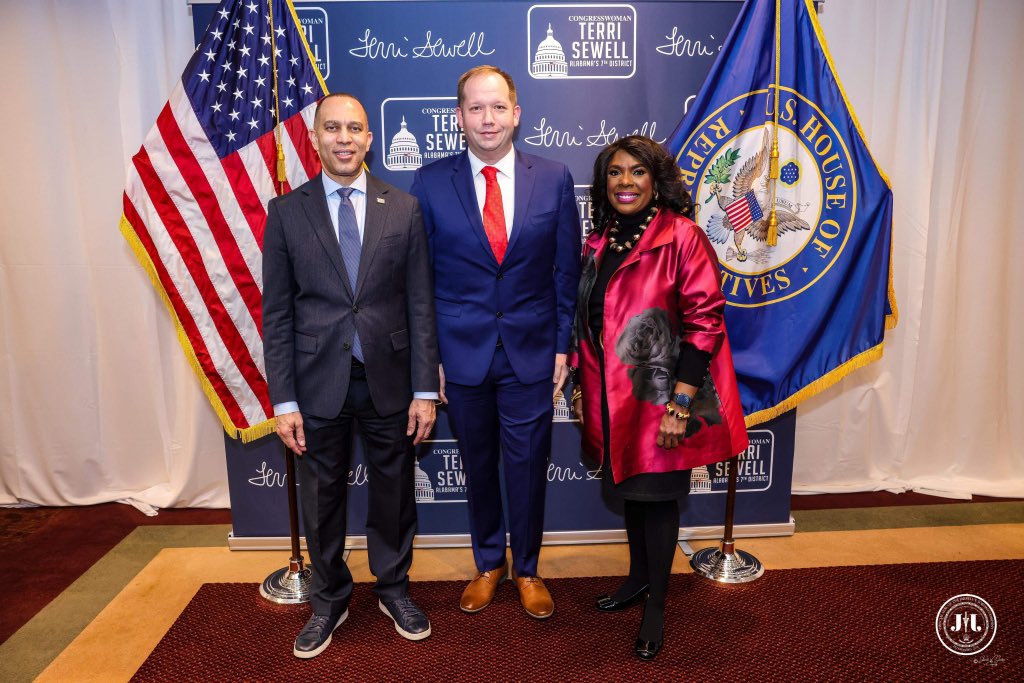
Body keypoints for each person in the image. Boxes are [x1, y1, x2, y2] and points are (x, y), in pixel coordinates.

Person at [262, 93, 440, 659]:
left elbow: (420, 304)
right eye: (332, 128)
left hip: (388, 377)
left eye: (355, 128)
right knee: (321, 500)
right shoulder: (287, 211)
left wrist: (423, 389)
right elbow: (279, 314)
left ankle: (393, 589)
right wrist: (283, 400)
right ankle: (329, 600)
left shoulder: (404, 208)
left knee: (393, 495)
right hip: (316, 382)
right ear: (314, 139)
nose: (344, 137)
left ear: (370, 139)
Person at [410, 65, 581, 619]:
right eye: (476, 108)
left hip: (532, 352)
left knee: (529, 464)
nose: (488, 119)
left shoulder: (553, 177)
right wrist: (430, 357)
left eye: (498, 107)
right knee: (478, 463)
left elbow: (565, 273)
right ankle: (489, 563)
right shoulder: (431, 182)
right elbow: (423, 280)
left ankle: (527, 568)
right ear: (459, 117)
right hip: (462, 355)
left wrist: (562, 346)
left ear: (517, 113)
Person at [570, 136, 748, 661]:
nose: (626, 182)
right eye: (615, 173)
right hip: (612, 398)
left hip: (662, 397)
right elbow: (589, 322)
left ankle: (657, 608)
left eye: (638, 172)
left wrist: (681, 403)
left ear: (657, 180)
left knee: (659, 499)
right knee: (632, 494)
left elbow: (705, 320)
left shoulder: (682, 236)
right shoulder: (600, 240)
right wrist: (582, 385)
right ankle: (636, 581)